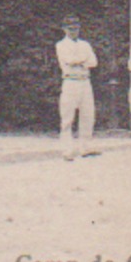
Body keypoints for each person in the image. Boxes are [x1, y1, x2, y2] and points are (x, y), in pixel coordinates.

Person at [54, 15, 99, 160]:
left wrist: (80, 61)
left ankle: (85, 147)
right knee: (67, 117)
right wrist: (82, 60)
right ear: (64, 29)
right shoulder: (61, 45)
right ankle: (67, 149)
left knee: (88, 115)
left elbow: (93, 62)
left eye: (76, 28)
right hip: (70, 81)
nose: (74, 31)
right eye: (70, 29)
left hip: (85, 81)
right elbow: (68, 60)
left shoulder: (85, 45)